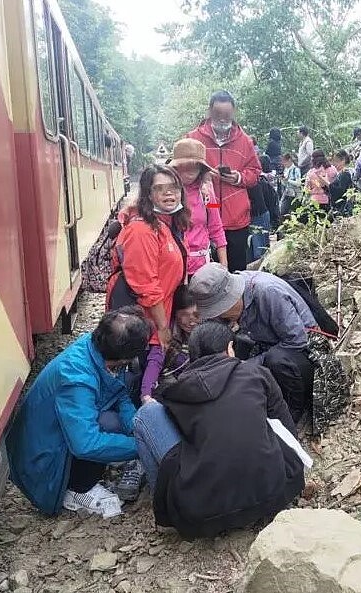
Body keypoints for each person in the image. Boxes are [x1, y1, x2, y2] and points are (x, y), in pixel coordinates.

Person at [133, 320, 306, 539]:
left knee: (145, 414)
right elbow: (286, 428)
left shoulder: (176, 392)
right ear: (230, 349)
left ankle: (163, 500)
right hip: (276, 493)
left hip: (202, 515)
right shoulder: (257, 373)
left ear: (193, 356)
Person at [6, 307, 152, 517]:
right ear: (124, 358)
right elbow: (85, 444)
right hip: (43, 464)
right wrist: (142, 446)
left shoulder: (97, 348)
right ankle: (76, 489)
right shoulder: (76, 377)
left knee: (117, 422)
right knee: (107, 424)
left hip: (57, 438)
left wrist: (138, 430)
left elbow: (119, 393)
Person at [188, 263, 317, 423]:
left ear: (231, 299)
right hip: (266, 343)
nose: (218, 316)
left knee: (276, 360)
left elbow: (297, 340)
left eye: (219, 311)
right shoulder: (240, 291)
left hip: (305, 350)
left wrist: (251, 363)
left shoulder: (268, 293)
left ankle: (293, 411)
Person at [106, 165, 189, 406]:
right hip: (142, 321)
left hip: (154, 317)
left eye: (173, 188)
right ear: (148, 195)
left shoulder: (165, 223)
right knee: (135, 379)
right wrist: (163, 328)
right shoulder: (142, 230)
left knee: (148, 371)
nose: (169, 194)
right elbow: (146, 286)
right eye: (159, 189)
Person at [187, 90, 262, 273]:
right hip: (201, 218)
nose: (222, 119)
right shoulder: (193, 139)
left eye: (227, 115)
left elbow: (255, 172)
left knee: (236, 272)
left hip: (235, 218)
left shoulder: (244, 141)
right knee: (202, 273)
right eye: (218, 115)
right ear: (209, 112)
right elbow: (180, 170)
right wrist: (202, 176)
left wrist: (239, 177)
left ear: (233, 113)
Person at [167, 138, 228, 275]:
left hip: (201, 268)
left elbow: (216, 227)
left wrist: (224, 265)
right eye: (185, 165)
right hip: (173, 267)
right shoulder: (166, 193)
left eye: (195, 165)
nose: (190, 171)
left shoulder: (207, 194)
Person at [159, 284, 201, 379]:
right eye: (185, 314)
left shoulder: (206, 330)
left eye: (195, 314)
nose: (191, 322)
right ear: (174, 313)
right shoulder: (167, 334)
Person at [328, 149, 354, 216]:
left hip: (342, 208)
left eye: (337, 161)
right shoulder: (341, 173)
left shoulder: (345, 174)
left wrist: (327, 183)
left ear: (343, 161)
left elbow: (339, 192)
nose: (334, 164)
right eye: (334, 161)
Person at [279, 153, 301, 217]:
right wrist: (282, 180)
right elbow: (285, 183)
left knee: (293, 214)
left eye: (284, 162)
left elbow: (298, 183)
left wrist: (288, 180)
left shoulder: (296, 170)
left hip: (295, 195)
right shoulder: (286, 170)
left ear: (289, 160)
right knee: (283, 212)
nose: (283, 164)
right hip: (287, 193)